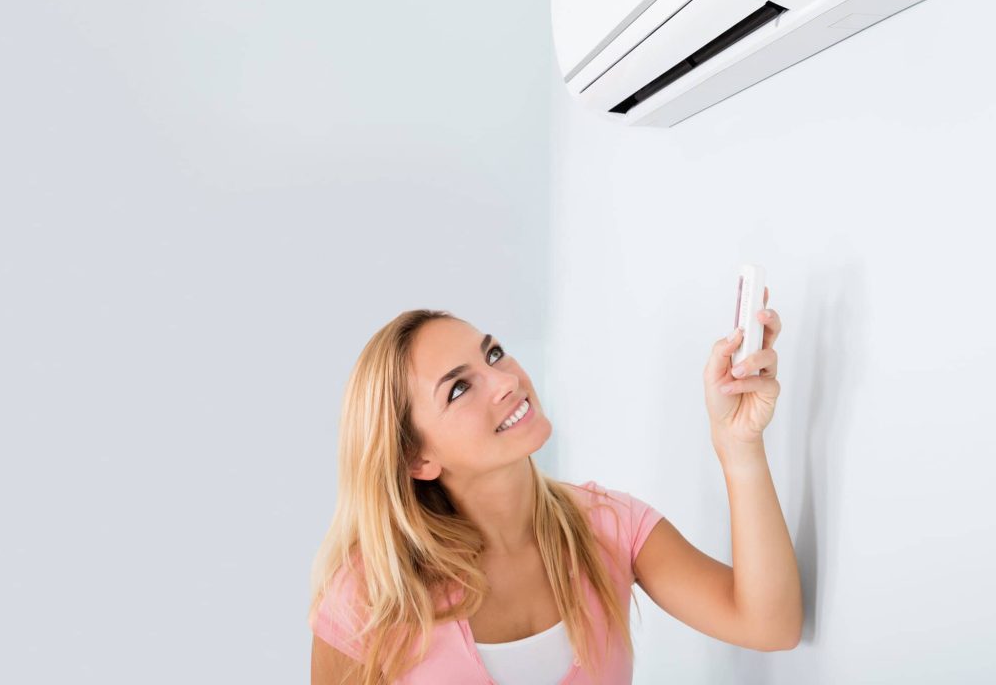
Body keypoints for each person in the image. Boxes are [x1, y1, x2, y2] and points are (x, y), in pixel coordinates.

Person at [307, 291, 802, 684]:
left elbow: (768, 625)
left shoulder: (611, 526)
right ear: (418, 458)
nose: (505, 381)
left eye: (494, 354)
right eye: (460, 388)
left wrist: (738, 447)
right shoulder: (370, 595)